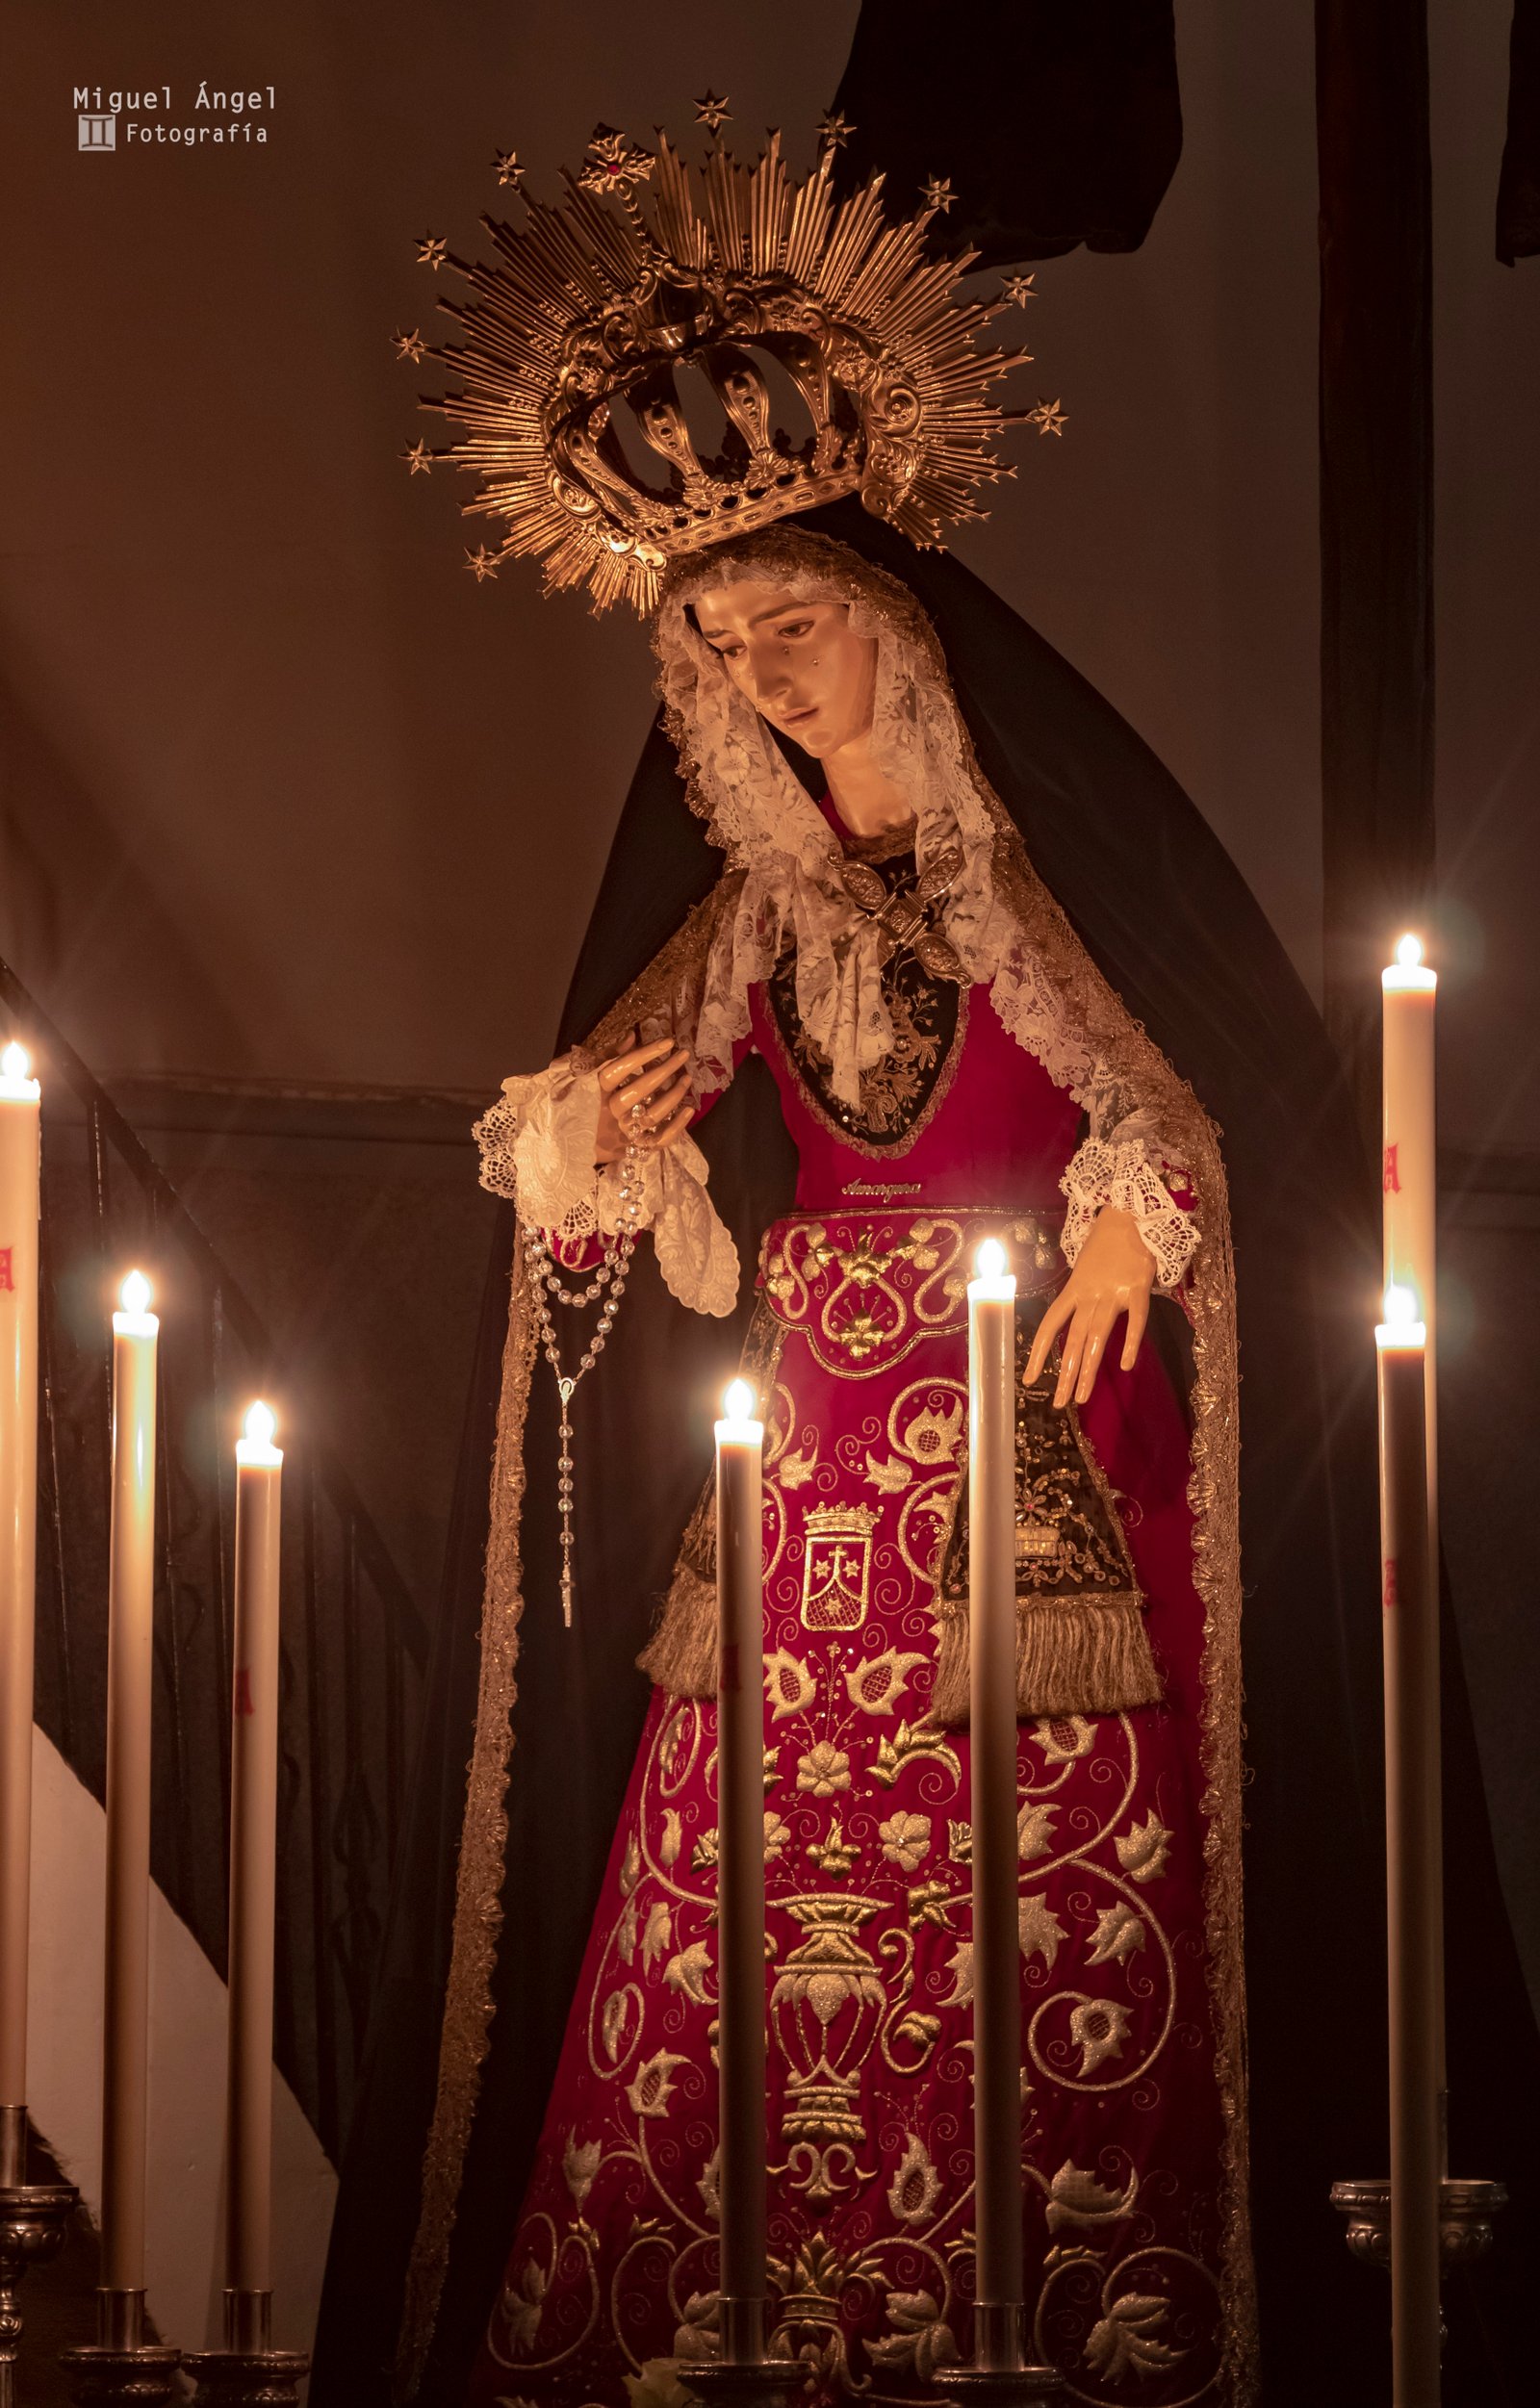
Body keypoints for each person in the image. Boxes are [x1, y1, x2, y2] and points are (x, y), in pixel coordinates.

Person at [313, 116, 1538, 2408]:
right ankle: (749, 2320)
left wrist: (1125, 1211)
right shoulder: (752, 898)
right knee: (753, 1891)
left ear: (884, 611)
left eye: (787, 623)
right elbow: (608, 1176)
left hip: (1037, 1446)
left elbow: (1183, 1099)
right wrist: (602, 1146)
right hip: (800, 1480)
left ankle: (1054, 2315)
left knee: (1046, 1893)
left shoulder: (1027, 861)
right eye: (717, 646)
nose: (762, 672)